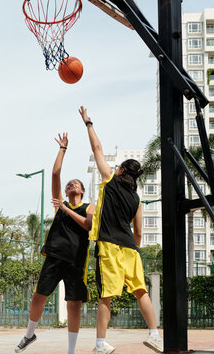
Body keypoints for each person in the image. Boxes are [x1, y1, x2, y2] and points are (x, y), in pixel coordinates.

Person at [78, 106, 163, 354]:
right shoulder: (136, 200)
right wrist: (133, 245)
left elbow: (97, 150)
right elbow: (138, 232)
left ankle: (100, 344)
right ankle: (154, 334)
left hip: (109, 245)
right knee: (140, 290)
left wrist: (88, 123)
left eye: (118, 167)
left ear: (121, 171)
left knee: (106, 295)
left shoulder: (110, 181)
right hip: (130, 248)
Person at [15, 133, 95, 354]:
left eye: (75, 183)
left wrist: (65, 208)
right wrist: (62, 150)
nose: (71, 184)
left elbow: (88, 226)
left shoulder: (88, 206)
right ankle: (29, 335)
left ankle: (70, 351)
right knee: (38, 296)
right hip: (55, 257)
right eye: (69, 183)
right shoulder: (60, 201)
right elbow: (55, 173)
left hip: (76, 261)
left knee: (73, 305)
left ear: (81, 191)